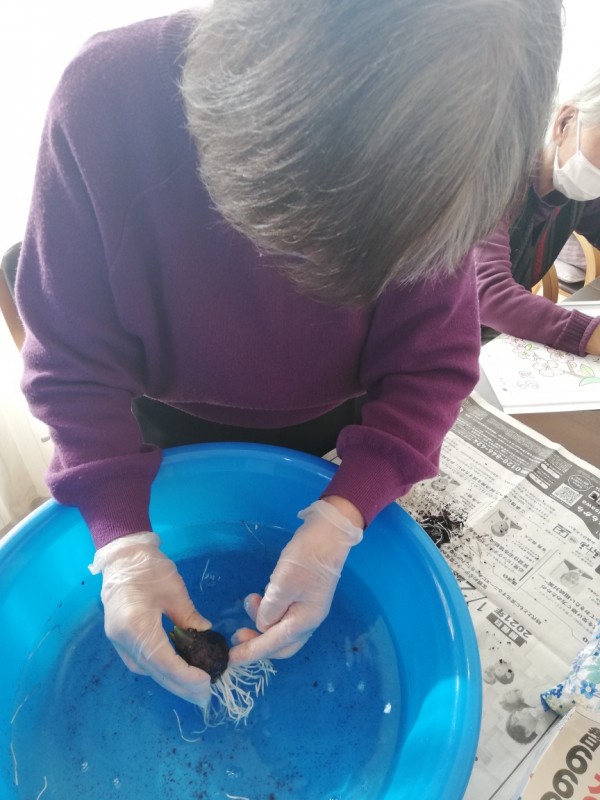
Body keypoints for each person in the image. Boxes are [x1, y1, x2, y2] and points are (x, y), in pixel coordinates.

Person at [15, 0, 562, 709]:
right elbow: (70, 366)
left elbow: (432, 365)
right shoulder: (106, 100)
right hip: (160, 418)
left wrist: (343, 514)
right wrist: (122, 543)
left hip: (337, 424)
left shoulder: (456, 158)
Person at [476, 69, 600, 356]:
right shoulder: (496, 176)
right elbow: (489, 293)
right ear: (564, 122)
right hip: (441, 341)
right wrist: (590, 334)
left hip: (501, 340)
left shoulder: (573, 192)